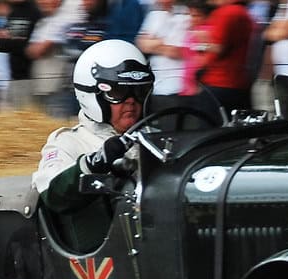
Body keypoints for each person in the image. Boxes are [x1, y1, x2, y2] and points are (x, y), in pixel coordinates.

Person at [33, 39, 155, 252]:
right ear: (91, 95)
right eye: (117, 93)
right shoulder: (68, 143)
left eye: (139, 91)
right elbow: (54, 196)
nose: (131, 101)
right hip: (107, 258)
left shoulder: (156, 138)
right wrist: (93, 164)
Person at [196, 0, 253, 122]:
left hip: (219, 81)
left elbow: (218, 47)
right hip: (238, 81)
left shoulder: (226, 13)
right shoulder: (243, 12)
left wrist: (203, 42)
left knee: (210, 126)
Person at [136, 0, 191, 111]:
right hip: (157, 86)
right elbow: (142, 44)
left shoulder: (186, 16)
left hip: (179, 87)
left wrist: (155, 43)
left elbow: (177, 51)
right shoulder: (155, 15)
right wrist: (165, 44)